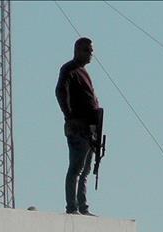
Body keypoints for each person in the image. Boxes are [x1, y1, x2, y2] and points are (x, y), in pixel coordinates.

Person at [56, 37, 100, 216]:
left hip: (90, 129)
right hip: (78, 128)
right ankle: (72, 207)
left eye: (91, 51)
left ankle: (83, 206)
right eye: (87, 50)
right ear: (77, 50)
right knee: (76, 167)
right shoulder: (69, 69)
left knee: (86, 169)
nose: (90, 54)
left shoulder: (83, 72)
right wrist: (69, 117)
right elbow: (60, 92)